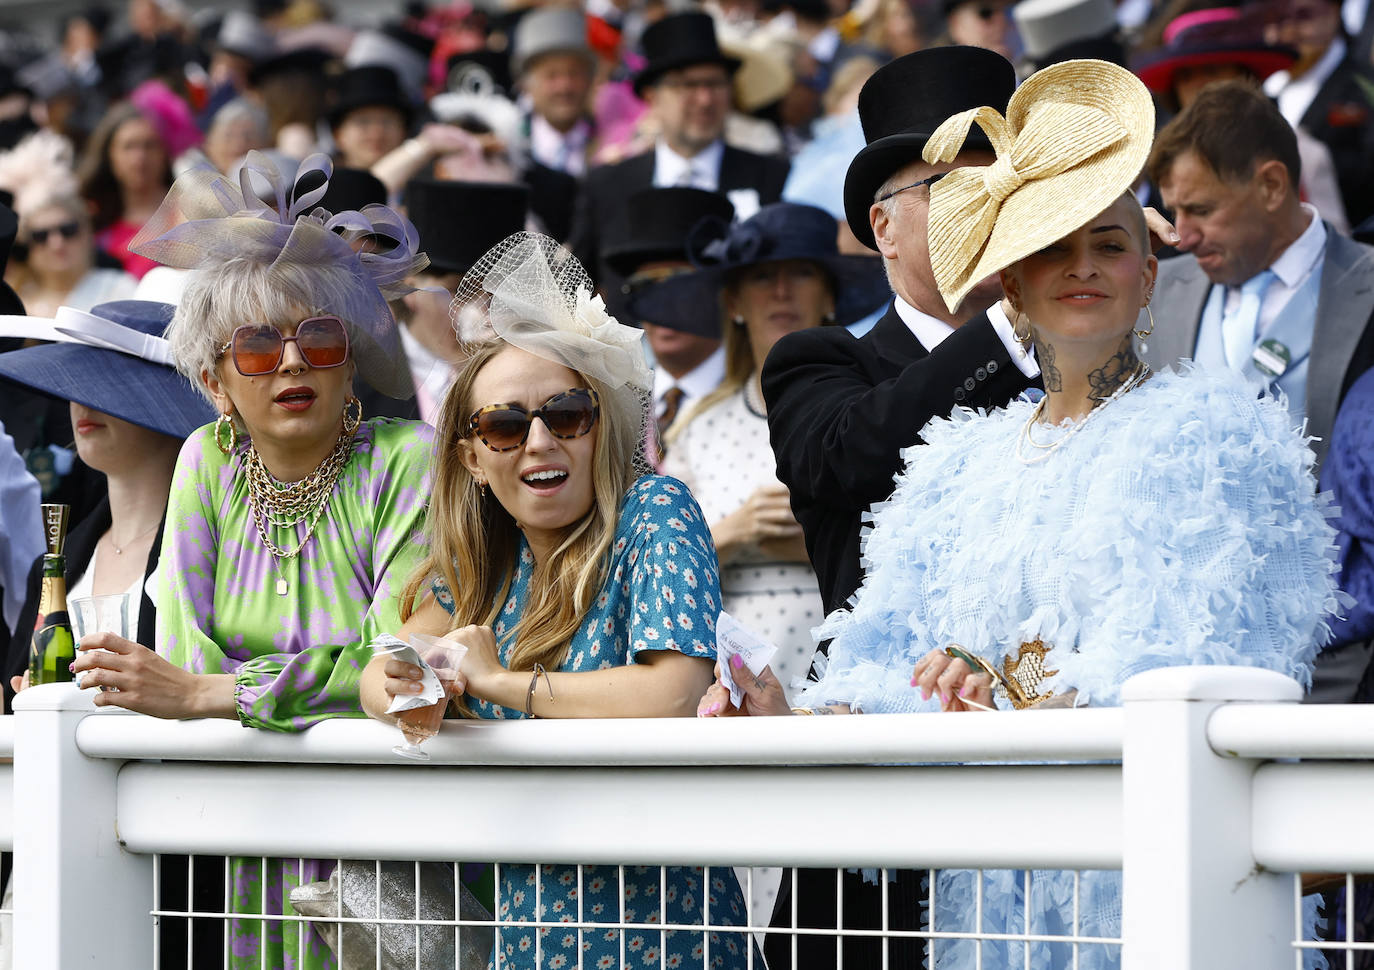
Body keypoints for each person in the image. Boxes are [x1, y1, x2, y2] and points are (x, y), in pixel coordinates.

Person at [704, 58, 1339, 970]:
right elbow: (887, 662)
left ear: (1150, 273)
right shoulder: (955, 462)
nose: (1082, 265)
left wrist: (1003, 688)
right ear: (1008, 284)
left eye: (1112, 244)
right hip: (991, 900)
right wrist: (798, 719)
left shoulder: (1222, 435)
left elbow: (1214, 667)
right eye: (1050, 246)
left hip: (1157, 885)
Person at [72, 152, 431, 969]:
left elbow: (392, 662)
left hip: (386, 827)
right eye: (259, 349)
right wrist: (215, 689)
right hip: (248, 830)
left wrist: (212, 694)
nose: (294, 362)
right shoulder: (205, 460)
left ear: (352, 366)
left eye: (319, 338)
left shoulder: (407, 460)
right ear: (216, 380)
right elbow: (188, 639)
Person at [359, 232, 755, 970]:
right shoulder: (486, 563)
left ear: (599, 426)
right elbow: (380, 675)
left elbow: (674, 690)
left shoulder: (655, 510)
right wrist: (418, 678)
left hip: (669, 937)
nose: (539, 440)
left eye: (565, 414)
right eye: (507, 426)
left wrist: (500, 684)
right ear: (474, 459)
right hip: (532, 935)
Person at [0, 299, 219, 967]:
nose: (81, 405)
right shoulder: (55, 560)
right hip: (45, 852)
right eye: (78, 386)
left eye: (111, 387)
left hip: (165, 867)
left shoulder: (212, 555)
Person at [1144, 80, 1374, 701]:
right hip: (1183, 660)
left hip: (1339, 657)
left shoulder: (1371, 290)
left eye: (1201, 209)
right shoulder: (1154, 291)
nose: (1181, 234)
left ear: (1272, 186)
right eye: (1173, 210)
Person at [635, 202, 887, 687]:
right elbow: (654, 569)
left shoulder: (873, 408)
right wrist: (735, 532)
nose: (780, 291)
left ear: (829, 295)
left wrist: (827, 544)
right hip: (727, 674)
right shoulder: (697, 427)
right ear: (733, 303)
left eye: (801, 272)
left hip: (851, 666)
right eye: (761, 276)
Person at [569, 11, 790, 294]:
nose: (705, 99)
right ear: (653, 97)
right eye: (688, 85)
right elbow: (577, 283)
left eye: (715, 83)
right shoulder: (607, 186)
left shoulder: (772, 177)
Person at [599, 186, 736, 450]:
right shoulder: (613, 406)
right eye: (646, 287)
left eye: (680, 286)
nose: (662, 306)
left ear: (722, 293)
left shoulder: (761, 399)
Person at [0, 131, 137, 316]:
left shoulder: (120, 289)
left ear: (87, 231)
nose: (56, 243)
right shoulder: (14, 299)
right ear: (27, 244)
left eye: (68, 230)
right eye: (41, 236)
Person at [1262, 0, 1374, 226]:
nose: (1287, 31)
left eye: (1303, 15)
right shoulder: (1260, 89)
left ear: (1335, 11)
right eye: (1277, 18)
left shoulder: (1365, 89)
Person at [76, 102, 173, 280]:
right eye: (129, 146)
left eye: (149, 145)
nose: (139, 158)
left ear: (164, 152)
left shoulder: (187, 213)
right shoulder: (90, 218)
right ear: (110, 155)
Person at [512, 7, 597, 178]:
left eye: (574, 74)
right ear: (527, 86)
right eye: (552, 76)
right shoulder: (512, 147)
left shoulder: (608, 141)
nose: (564, 87)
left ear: (589, 81)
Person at [328, 66, 412, 172]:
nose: (376, 132)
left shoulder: (425, 185)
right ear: (338, 134)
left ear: (404, 131)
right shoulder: (319, 186)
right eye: (363, 122)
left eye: (387, 121)